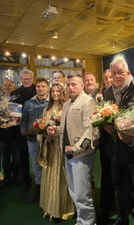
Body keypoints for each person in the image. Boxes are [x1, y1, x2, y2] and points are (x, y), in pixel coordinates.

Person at [102, 58, 134, 225]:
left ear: (128, 73)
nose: (116, 76)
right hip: (116, 150)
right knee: (119, 188)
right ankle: (122, 219)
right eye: (114, 73)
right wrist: (105, 125)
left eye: (120, 72)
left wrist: (124, 126)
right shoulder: (108, 93)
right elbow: (102, 114)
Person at [56, 74, 100, 225]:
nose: (70, 87)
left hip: (81, 155)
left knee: (82, 194)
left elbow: (92, 132)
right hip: (67, 154)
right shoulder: (67, 104)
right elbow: (67, 127)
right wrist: (54, 130)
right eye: (68, 84)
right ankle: (81, 220)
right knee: (73, 191)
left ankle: (88, 223)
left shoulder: (88, 102)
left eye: (73, 84)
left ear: (82, 86)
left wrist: (75, 149)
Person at [37, 82, 75, 221]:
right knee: (51, 175)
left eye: (58, 91)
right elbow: (41, 127)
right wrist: (45, 135)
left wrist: (56, 132)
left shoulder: (67, 107)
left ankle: (63, 208)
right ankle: (50, 207)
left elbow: (69, 129)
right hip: (51, 148)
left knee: (63, 178)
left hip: (63, 148)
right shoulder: (47, 109)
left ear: (63, 92)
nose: (55, 94)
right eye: (53, 91)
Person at [20, 78, 50, 203]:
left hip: (48, 140)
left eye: (43, 86)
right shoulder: (28, 103)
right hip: (32, 140)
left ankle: (49, 190)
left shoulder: (52, 102)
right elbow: (24, 121)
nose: (40, 88)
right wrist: (24, 132)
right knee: (36, 165)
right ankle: (39, 188)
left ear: (47, 87)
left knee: (49, 164)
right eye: (38, 86)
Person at [0, 79, 21, 190]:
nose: (7, 87)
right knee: (5, 157)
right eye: (5, 85)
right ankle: (7, 177)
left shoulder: (18, 100)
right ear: (2, 87)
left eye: (9, 85)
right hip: (2, 133)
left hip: (16, 133)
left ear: (13, 86)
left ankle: (17, 177)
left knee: (17, 157)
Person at [11, 69, 37, 193]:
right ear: (20, 79)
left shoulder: (38, 90)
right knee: (22, 157)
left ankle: (41, 183)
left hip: (37, 129)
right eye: (24, 79)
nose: (26, 81)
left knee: (39, 157)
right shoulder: (14, 93)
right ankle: (26, 181)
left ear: (32, 79)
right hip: (19, 129)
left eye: (28, 79)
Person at [96, 69, 116, 225]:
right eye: (106, 78)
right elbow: (97, 116)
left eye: (111, 77)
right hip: (106, 141)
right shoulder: (100, 97)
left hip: (120, 142)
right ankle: (106, 205)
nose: (109, 80)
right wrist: (104, 126)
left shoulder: (119, 93)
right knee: (107, 174)